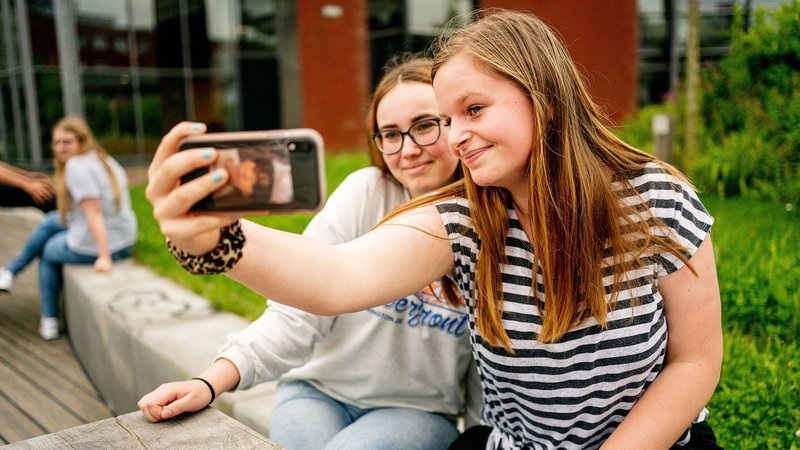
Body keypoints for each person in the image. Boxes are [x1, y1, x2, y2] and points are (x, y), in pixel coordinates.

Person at [141, 9, 723, 450]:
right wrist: (216, 241)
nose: (454, 135)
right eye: (447, 119)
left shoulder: (655, 198)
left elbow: (695, 362)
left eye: (473, 110)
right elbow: (335, 277)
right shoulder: (463, 219)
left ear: (543, 98)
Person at [138, 56, 481, 450]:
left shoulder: (488, 218)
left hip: (417, 412)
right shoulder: (367, 191)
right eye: (389, 134)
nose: (408, 149)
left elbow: (490, 364)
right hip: (318, 392)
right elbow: (297, 313)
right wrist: (209, 381)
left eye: (424, 125)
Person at [0, 117, 137, 340]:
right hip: (124, 238)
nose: (61, 148)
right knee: (52, 220)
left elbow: (94, 213)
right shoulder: (102, 159)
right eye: (57, 143)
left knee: (47, 252)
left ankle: (49, 319)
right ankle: (9, 272)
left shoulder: (76, 167)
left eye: (67, 142)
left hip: (105, 245)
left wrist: (104, 257)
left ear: (81, 141)